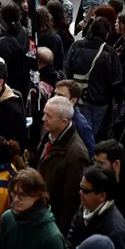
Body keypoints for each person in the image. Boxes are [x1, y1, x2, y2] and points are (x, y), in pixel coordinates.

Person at [36, 96, 92, 234]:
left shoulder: (76, 155)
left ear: (63, 121)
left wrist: (60, 233)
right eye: (44, 113)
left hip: (52, 222)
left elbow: (71, 202)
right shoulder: (50, 134)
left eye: (48, 116)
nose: (43, 118)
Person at [65, 165, 125, 249]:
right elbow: (70, 241)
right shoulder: (84, 209)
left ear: (102, 196)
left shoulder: (117, 232)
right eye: (80, 188)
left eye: (85, 190)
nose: (80, 192)